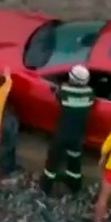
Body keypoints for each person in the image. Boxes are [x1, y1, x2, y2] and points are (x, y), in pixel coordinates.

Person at [40, 64, 94, 195]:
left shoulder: (64, 90)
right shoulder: (90, 93)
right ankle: (74, 185)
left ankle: (46, 186)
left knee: (53, 159)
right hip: (78, 135)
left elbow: (57, 97)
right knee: (74, 161)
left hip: (63, 133)